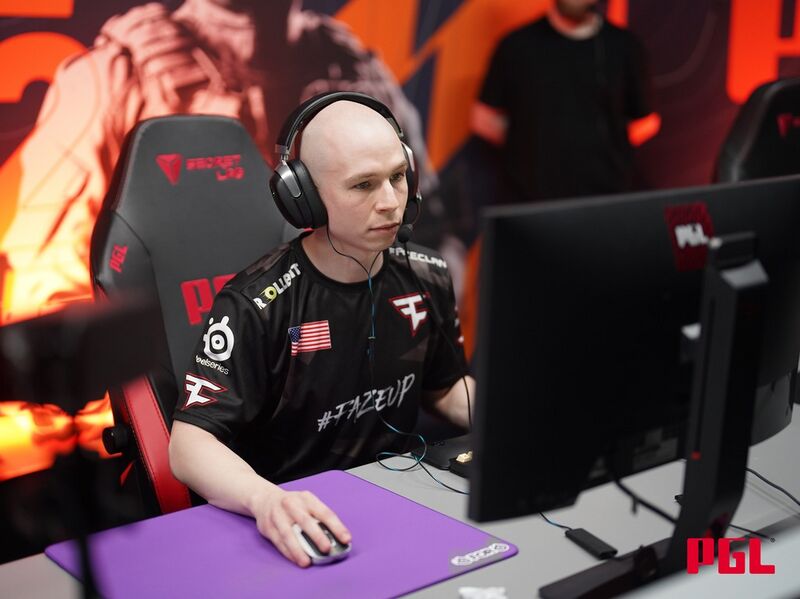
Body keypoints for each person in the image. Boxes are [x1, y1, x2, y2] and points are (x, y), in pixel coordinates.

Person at [169, 95, 474, 567]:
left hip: (407, 502)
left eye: (397, 177)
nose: (390, 203)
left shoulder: (427, 275)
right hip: (299, 517)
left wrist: (519, 417)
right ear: (305, 198)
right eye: (363, 185)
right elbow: (188, 445)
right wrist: (265, 500)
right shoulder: (257, 304)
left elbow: (446, 388)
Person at [0, 0, 436, 324]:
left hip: (326, 363)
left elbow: (431, 229)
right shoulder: (117, 74)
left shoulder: (357, 74)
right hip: (187, 375)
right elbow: (48, 283)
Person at [471, 0, 652, 203]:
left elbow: (646, 121)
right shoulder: (516, 45)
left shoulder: (624, 46)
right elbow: (482, 118)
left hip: (606, 199)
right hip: (533, 201)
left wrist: (606, 142)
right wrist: (527, 141)